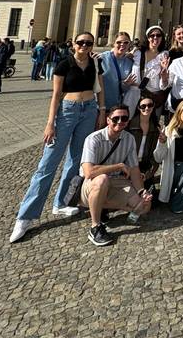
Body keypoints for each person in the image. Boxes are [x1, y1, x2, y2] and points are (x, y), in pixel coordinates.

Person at [10, 31, 106, 243]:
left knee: (76, 161)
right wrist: (50, 123)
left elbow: (100, 89)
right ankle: (25, 216)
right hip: (67, 111)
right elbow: (56, 95)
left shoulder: (95, 63)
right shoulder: (64, 64)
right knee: (47, 165)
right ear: (73, 44)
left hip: (89, 111)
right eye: (81, 42)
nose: (84, 46)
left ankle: (61, 203)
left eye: (88, 43)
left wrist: (102, 110)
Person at [79, 104, 153, 245]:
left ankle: (101, 206)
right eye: (115, 119)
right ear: (108, 120)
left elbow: (135, 170)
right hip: (92, 183)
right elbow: (89, 172)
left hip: (117, 181)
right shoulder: (93, 139)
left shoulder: (129, 139)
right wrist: (118, 166)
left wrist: (141, 191)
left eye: (124, 118)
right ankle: (95, 227)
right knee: (102, 179)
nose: (120, 122)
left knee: (144, 207)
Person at [97, 32, 140, 111]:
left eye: (126, 42)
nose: (122, 45)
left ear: (130, 44)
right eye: (119, 42)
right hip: (99, 105)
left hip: (116, 106)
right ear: (113, 43)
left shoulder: (129, 63)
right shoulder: (102, 58)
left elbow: (122, 88)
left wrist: (125, 84)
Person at [127, 95, 162, 192]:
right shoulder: (129, 125)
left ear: (153, 106)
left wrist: (149, 173)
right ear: (138, 107)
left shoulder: (156, 128)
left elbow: (155, 155)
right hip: (130, 165)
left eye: (150, 105)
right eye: (143, 106)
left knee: (151, 200)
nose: (147, 108)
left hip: (145, 166)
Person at [137, 26, 170, 113]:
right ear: (148, 38)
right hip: (140, 94)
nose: (155, 38)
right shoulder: (138, 53)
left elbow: (163, 85)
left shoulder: (164, 55)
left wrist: (164, 75)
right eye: (152, 35)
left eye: (158, 35)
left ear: (162, 38)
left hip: (156, 97)